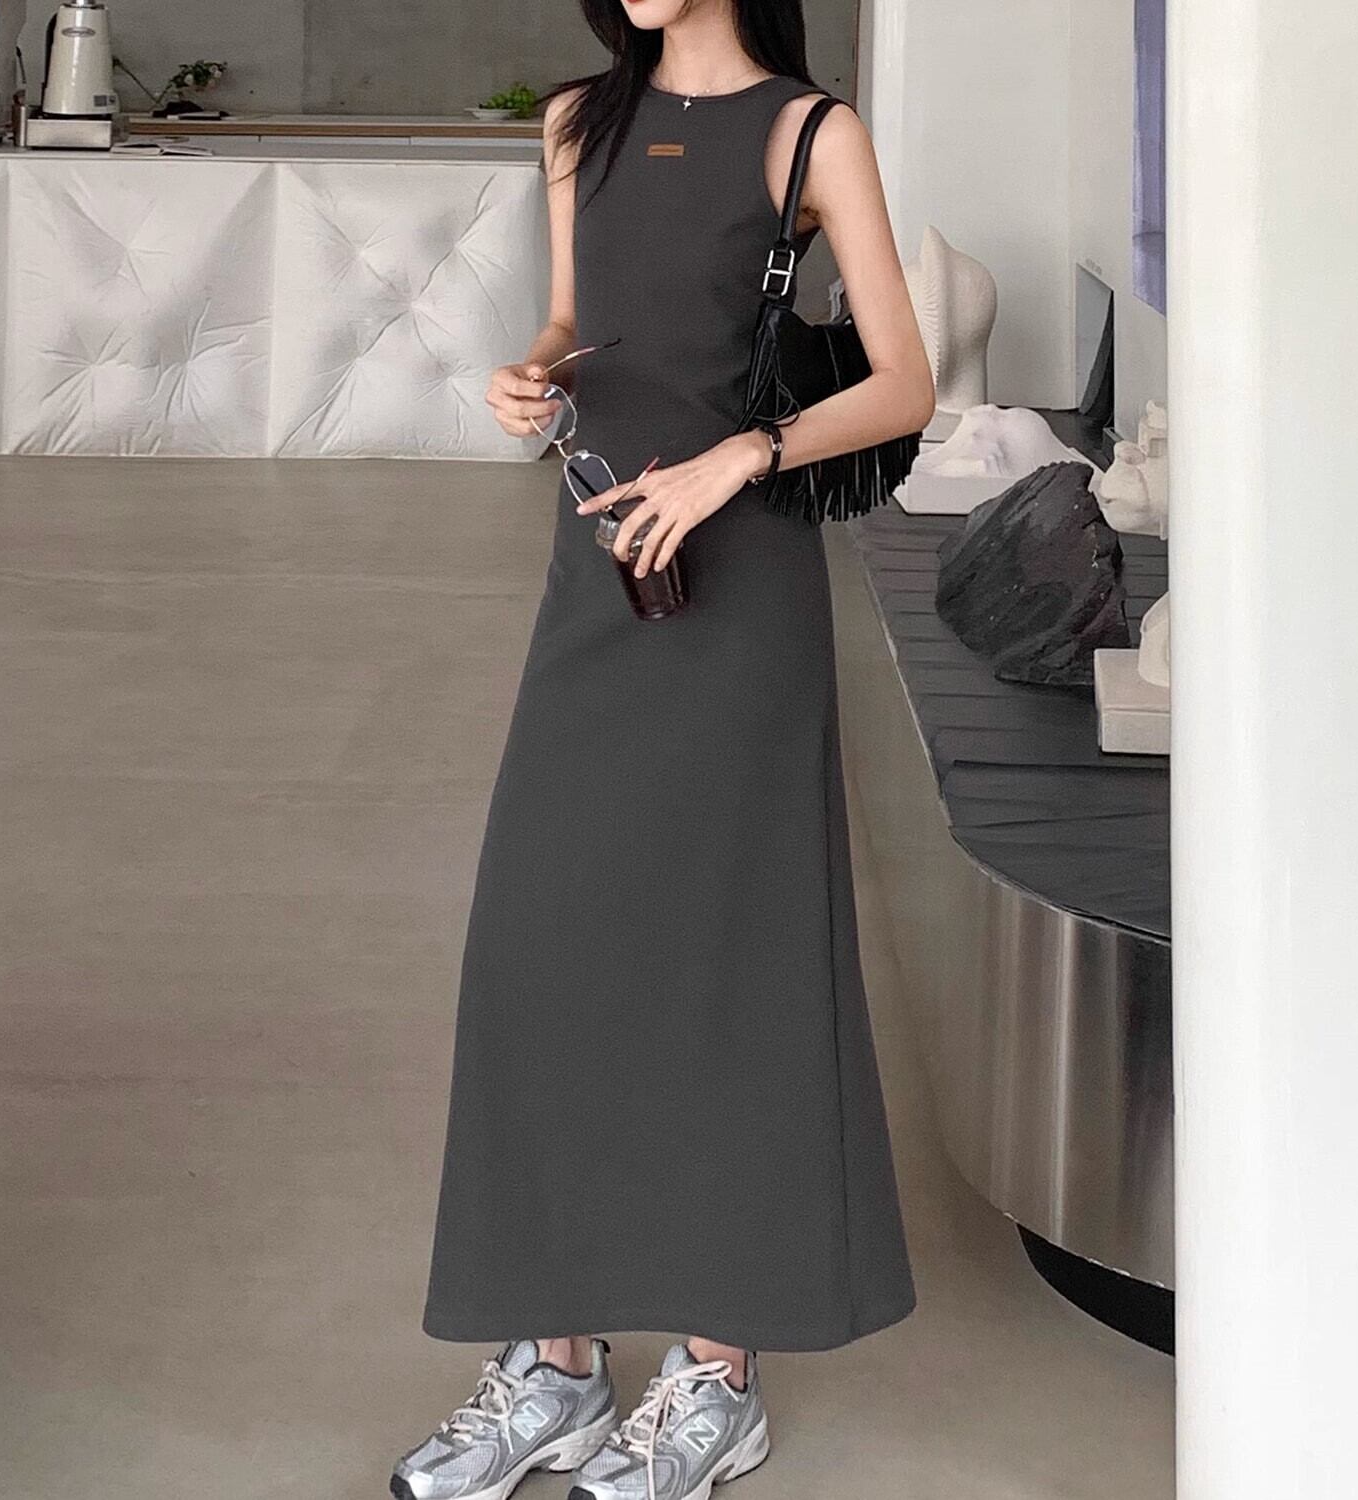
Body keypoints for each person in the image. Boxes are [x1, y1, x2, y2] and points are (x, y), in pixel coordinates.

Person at [393, 2, 935, 1497]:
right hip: (603, 569)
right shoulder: (581, 123)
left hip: (743, 594)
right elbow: (578, 322)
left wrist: (741, 456)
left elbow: (904, 383)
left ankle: (718, 1372)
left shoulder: (810, 134)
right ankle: (555, 1364)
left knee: (729, 959)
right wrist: (534, 373)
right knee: (541, 941)